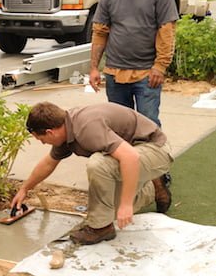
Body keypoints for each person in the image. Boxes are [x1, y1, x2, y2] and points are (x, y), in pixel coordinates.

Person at [11, 101, 173, 246]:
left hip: (154, 150)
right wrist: (25, 189)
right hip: (133, 154)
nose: (43, 143)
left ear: (50, 132)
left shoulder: (85, 128)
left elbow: (130, 157)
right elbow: (48, 163)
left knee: (98, 164)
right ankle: (152, 187)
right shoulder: (66, 128)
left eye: (41, 139)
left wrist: (126, 204)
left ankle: (101, 228)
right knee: (110, 211)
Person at [88, 0, 179, 129]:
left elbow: (166, 31)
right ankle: (125, 159)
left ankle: (153, 158)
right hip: (115, 73)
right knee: (120, 127)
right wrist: (94, 68)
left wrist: (160, 66)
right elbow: (99, 33)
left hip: (146, 74)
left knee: (148, 126)